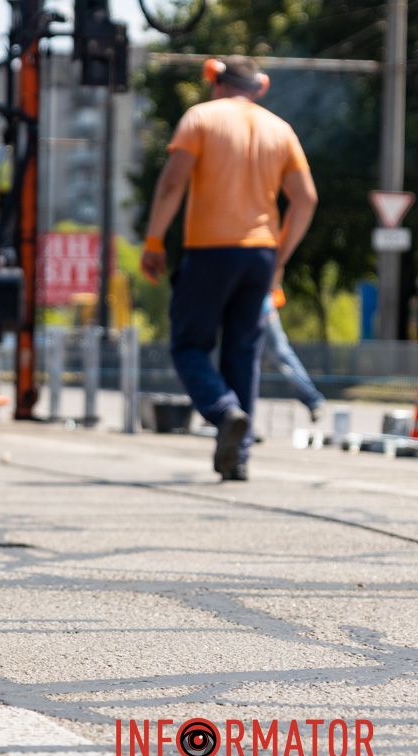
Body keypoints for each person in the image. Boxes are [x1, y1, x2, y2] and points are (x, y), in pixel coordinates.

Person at [141, 56, 318, 481]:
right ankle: (236, 460)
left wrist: (154, 241)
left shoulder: (200, 117)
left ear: (216, 82)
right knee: (244, 354)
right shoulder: (281, 129)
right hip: (260, 254)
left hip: (209, 250)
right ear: (259, 87)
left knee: (189, 346)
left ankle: (224, 412)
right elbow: (306, 199)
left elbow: (172, 183)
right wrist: (280, 256)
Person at [262, 289, 325, 422]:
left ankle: (312, 399)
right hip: (246, 306)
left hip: (262, 308)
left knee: (281, 356)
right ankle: (228, 412)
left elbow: (278, 267)